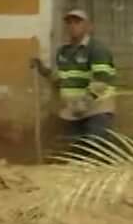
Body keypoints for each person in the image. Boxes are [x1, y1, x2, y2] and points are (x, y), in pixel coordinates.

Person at [30, 9, 118, 152]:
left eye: (78, 22)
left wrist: (83, 103)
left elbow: (102, 80)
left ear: (89, 27)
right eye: (69, 23)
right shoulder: (63, 52)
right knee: (71, 152)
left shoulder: (97, 49)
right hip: (73, 111)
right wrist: (42, 69)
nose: (73, 26)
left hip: (96, 110)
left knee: (94, 149)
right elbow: (60, 80)